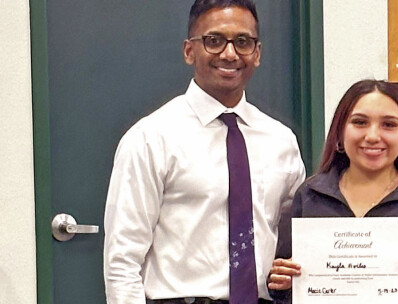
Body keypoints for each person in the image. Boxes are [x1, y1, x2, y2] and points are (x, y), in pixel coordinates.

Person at [103, 1, 305, 303]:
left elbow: (299, 240)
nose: (229, 53)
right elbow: (123, 260)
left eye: (243, 42)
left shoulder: (281, 141)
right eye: (214, 41)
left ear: (257, 53)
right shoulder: (151, 138)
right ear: (189, 51)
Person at [268, 80, 398, 303]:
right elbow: (281, 286)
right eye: (360, 122)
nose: (372, 136)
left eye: (388, 125)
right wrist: (283, 283)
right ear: (340, 131)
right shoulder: (309, 196)